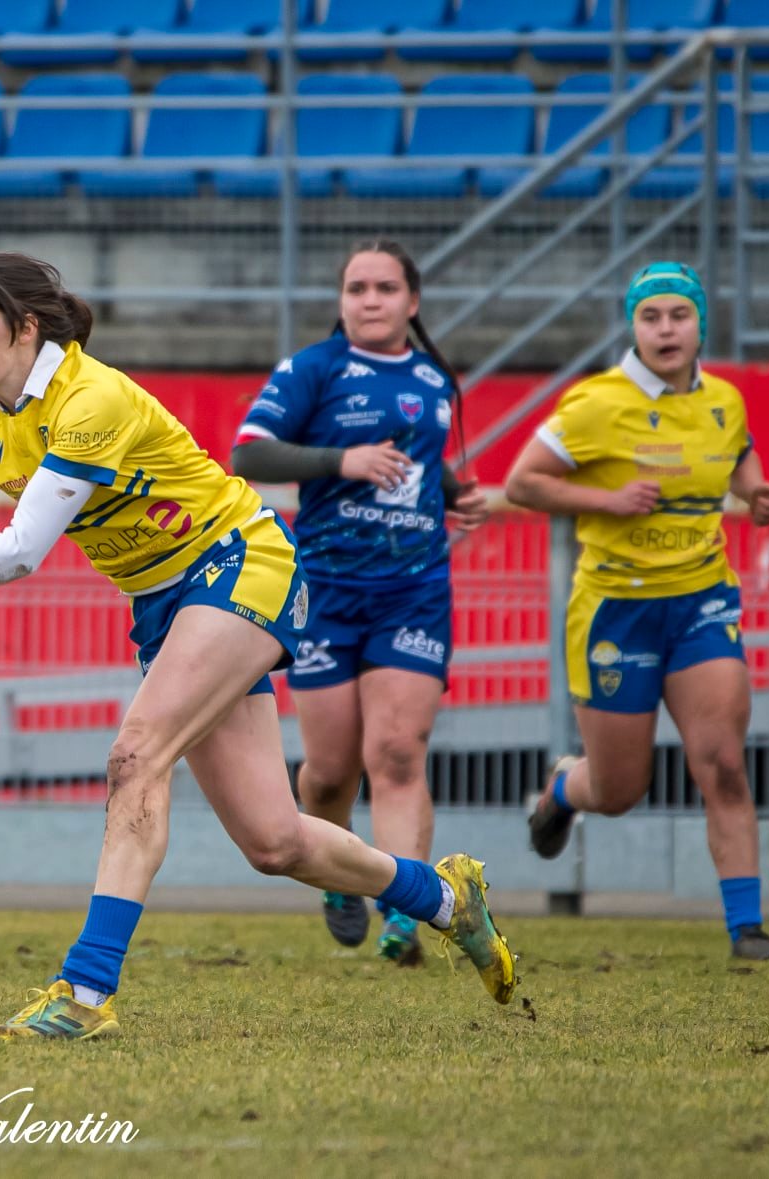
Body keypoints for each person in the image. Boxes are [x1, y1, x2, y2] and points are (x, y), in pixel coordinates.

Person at [0, 252, 518, 1041]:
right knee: (274, 841)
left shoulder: (91, 398)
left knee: (135, 756)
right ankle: (446, 898)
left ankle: (85, 992)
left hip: (239, 562)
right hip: (165, 602)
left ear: (26, 327)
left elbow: (22, 548)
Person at [505, 261, 769, 962]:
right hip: (617, 611)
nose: (666, 329)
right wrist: (605, 501)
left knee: (723, 761)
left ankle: (747, 929)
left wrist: (755, 493)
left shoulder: (723, 399)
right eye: (651, 317)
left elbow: (737, 454)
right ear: (633, 326)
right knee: (619, 789)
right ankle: (562, 790)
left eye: (679, 315)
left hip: (701, 601)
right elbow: (521, 483)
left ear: (701, 324)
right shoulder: (596, 403)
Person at [231, 238, 487, 966]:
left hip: (413, 590)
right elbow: (248, 453)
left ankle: (406, 912)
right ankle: (337, 870)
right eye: (356, 288)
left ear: (413, 300)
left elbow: (415, 456)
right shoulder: (313, 368)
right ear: (342, 301)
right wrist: (341, 461)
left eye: (384, 287)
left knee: (397, 752)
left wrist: (451, 491)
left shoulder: (434, 378)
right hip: (326, 592)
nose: (370, 300)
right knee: (331, 772)